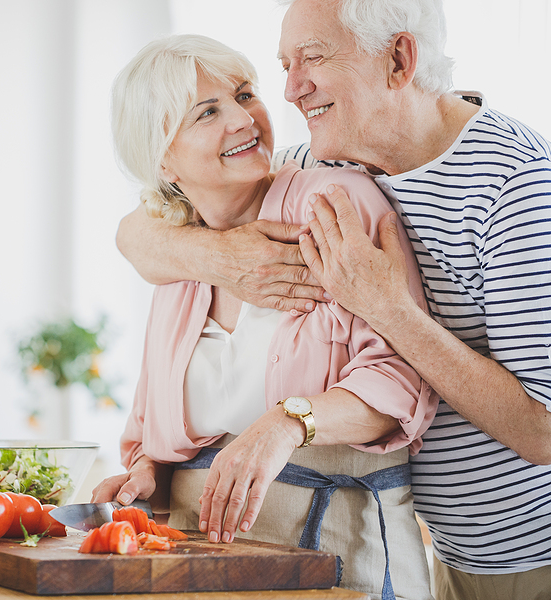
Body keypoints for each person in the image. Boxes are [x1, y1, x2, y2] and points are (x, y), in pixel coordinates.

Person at [114, 2, 551, 599]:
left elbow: (546, 431)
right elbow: (135, 235)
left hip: (527, 548)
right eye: (284, 67)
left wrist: (389, 310)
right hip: (443, 535)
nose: (289, 92)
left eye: (312, 59)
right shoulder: (322, 159)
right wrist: (222, 258)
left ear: (399, 60)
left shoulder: (516, 189)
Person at [93, 33, 438, 600]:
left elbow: (403, 377)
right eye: (207, 112)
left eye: (246, 94)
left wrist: (287, 423)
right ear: (162, 157)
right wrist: (147, 476)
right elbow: (151, 428)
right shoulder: (178, 259)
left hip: (338, 554)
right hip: (202, 564)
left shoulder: (333, 202)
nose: (244, 118)